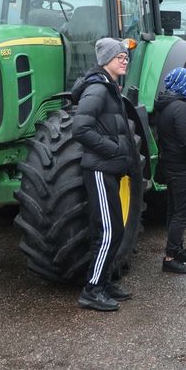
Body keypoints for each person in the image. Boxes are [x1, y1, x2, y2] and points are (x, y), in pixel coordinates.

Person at [71, 37, 139, 312]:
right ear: (105, 60)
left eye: (125, 57)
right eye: (119, 57)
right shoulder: (98, 90)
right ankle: (92, 289)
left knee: (115, 229)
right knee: (109, 231)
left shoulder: (110, 88)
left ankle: (105, 281)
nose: (124, 60)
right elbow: (80, 129)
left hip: (109, 169)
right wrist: (114, 149)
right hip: (99, 169)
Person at [154, 67, 186, 274]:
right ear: (184, 84)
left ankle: (178, 250)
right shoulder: (181, 108)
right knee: (181, 215)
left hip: (171, 166)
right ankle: (170, 257)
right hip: (184, 169)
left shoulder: (166, 105)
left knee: (174, 211)